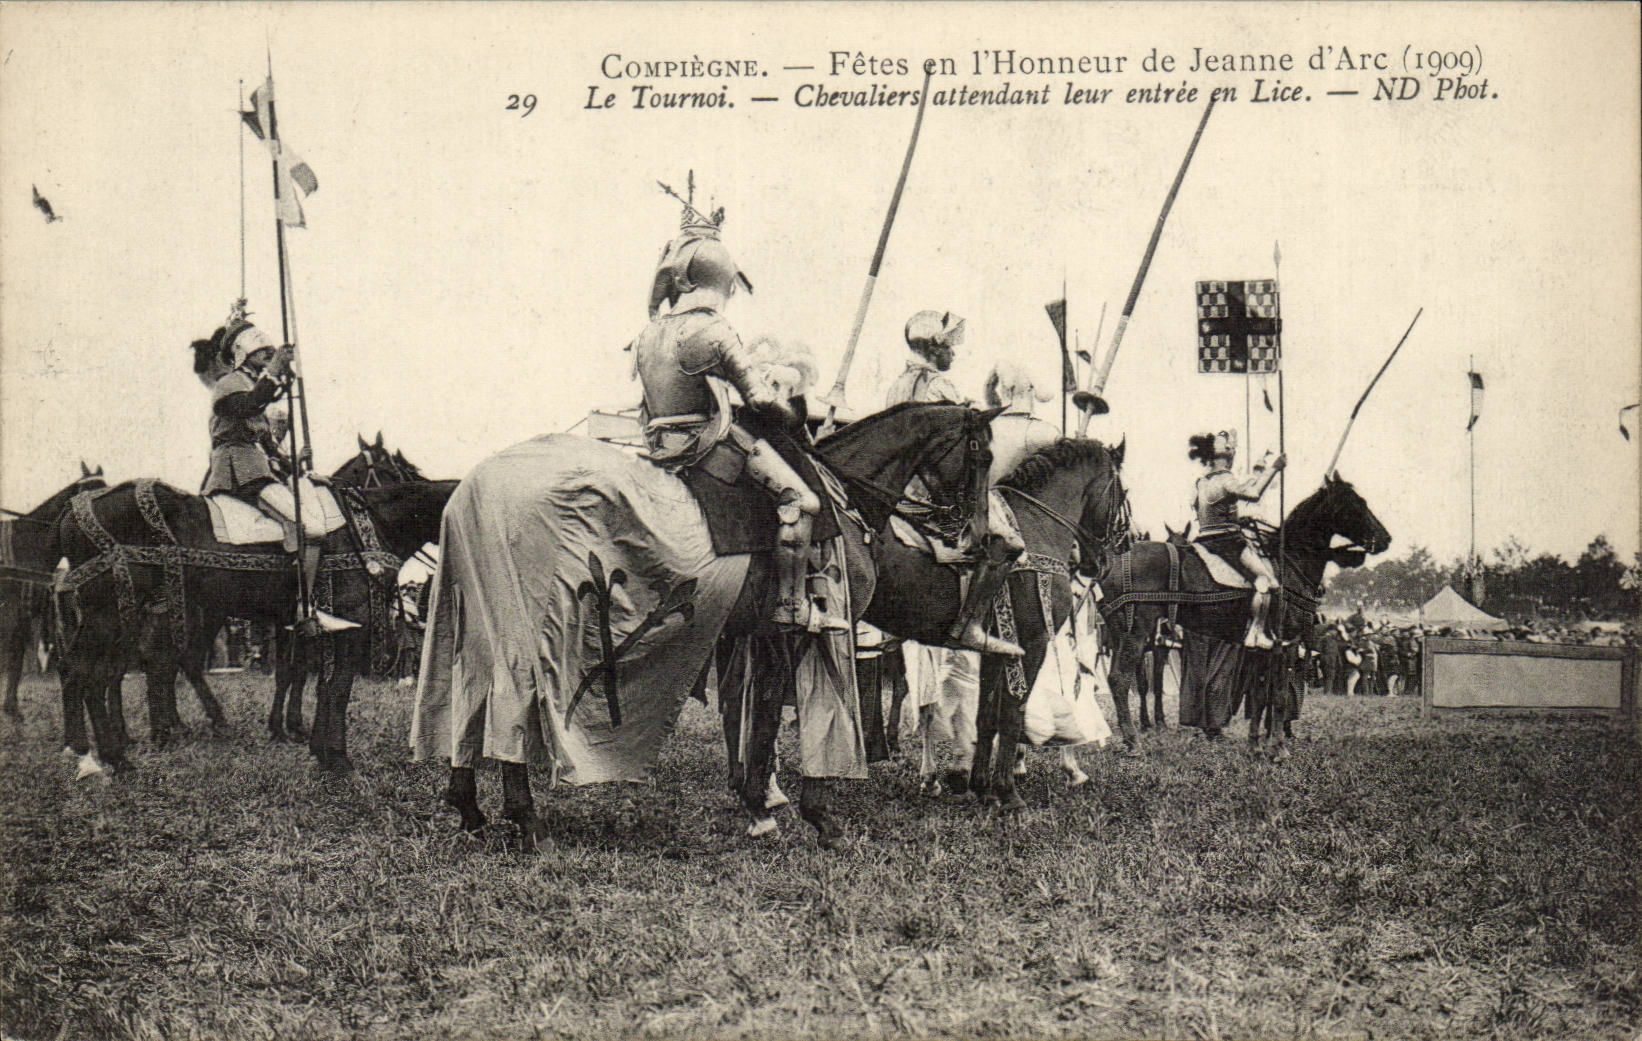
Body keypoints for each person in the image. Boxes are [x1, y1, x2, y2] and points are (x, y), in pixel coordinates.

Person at [632, 200, 842, 633]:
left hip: (657, 446)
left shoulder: (648, 333)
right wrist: (789, 405)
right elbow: (760, 401)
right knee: (801, 502)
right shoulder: (714, 329)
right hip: (705, 447)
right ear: (723, 279)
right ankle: (791, 606)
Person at [202, 317, 357, 634]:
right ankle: (304, 609)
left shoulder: (252, 390)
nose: (268, 357)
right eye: (262, 353)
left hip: (256, 469)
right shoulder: (228, 384)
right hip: (239, 472)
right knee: (311, 529)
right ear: (244, 353)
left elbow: (270, 449)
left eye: (269, 354)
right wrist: (275, 371)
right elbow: (249, 404)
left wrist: (301, 467)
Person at [1186, 429, 1285, 649]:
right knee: (1268, 581)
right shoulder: (1226, 479)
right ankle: (1255, 633)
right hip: (1228, 542)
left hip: (1202, 539)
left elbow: (1195, 505)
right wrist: (1275, 468)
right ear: (1228, 454)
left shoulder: (1201, 482)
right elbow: (1253, 494)